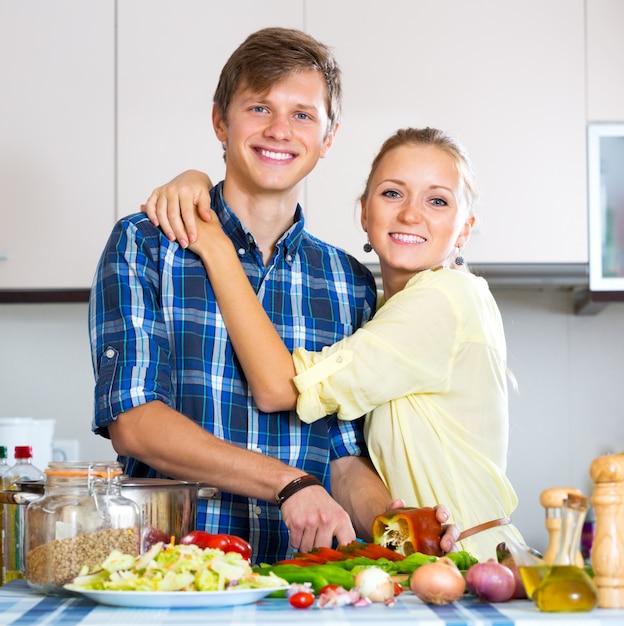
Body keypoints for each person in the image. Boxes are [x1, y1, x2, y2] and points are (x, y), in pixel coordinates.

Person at [89, 27, 457, 564]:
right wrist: (288, 483)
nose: (280, 131)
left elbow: (342, 456)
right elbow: (136, 423)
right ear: (221, 120)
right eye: (259, 108)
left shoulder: (348, 280)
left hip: (303, 583)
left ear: (328, 138)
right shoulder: (146, 245)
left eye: (303, 115)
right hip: (174, 576)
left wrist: (397, 529)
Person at [142, 127, 524, 561]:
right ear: (364, 213)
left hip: (468, 561)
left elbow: (278, 388)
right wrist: (195, 179)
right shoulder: (379, 310)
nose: (412, 215)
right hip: (427, 557)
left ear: (464, 230)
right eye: (392, 193)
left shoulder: (445, 299)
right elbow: (344, 450)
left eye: (437, 200)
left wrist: (217, 247)